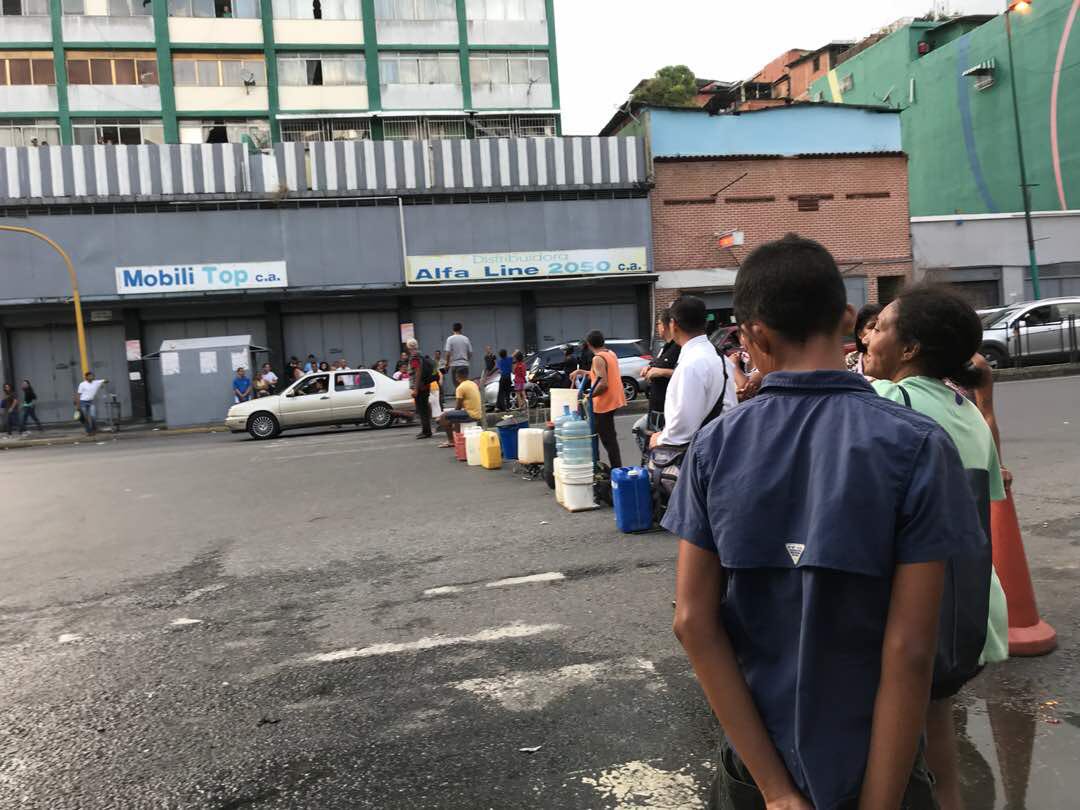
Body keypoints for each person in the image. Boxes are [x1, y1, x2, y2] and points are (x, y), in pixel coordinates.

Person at [663, 234, 985, 810]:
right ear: (844, 320)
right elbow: (912, 647)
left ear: (753, 335)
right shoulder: (917, 446)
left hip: (758, 770)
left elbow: (692, 621)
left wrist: (778, 792)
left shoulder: (713, 448)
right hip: (875, 765)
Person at [864, 284, 1009, 810]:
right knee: (936, 725)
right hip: (970, 609)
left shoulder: (886, 403)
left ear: (909, 350)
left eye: (879, 327)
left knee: (893, 744)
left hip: (910, 609)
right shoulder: (967, 409)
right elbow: (987, 498)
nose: (867, 336)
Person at [650, 296, 737, 451]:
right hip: (722, 444)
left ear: (673, 324)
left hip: (703, 453)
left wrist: (660, 439)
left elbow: (682, 428)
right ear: (705, 323)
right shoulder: (717, 355)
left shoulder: (691, 364)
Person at [584, 330, 625, 470]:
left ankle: (615, 470)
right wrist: (581, 372)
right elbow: (597, 375)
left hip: (604, 404)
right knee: (608, 436)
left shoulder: (598, 358)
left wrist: (589, 396)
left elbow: (603, 384)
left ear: (589, 344)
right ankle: (612, 468)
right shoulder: (610, 354)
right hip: (614, 400)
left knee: (608, 440)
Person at [641, 309, 682, 433]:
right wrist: (649, 368)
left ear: (666, 325)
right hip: (656, 405)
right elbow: (657, 363)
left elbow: (684, 372)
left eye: (658, 323)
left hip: (666, 408)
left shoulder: (679, 347)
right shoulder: (665, 347)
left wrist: (661, 372)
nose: (657, 327)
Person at [437, 367, 484, 448]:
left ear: (458, 376)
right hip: (478, 413)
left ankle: (451, 441)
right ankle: (457, 438)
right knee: (453, 417)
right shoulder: (473, 383)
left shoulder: (460, 387)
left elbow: (458, 407)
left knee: (443, 417)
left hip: (470, 414)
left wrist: (447, 417)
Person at [407, 338, 435, 439]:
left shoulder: (414, 357)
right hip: (425, 386)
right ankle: (426, 430)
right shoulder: (420, 356)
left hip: (420, 387)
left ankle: (426, 431)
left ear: (409, 347)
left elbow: (418, 372)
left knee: (422, 410)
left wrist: (415, 389)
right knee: (424, 409)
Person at [846, 303, 883, 375]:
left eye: (881, 326)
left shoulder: (895, 359)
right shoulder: (849, 361)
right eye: (872, 327)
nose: (877, 330)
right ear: (860, 334)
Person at [76, 371, 107, 435]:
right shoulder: (82, 384)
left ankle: (94, 429)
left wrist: (103, 383)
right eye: (90, 376)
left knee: (93, 416)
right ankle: (88, 431)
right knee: (85, 418)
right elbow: (78, 395)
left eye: (92, 376)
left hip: (91, 402)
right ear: (86, 377)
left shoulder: (96, 382)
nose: (92, 377)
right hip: (83, 402)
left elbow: (105, 380)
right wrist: (78, 405)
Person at [443, 323, 473, 391]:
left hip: (455, 365)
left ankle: (460, 399)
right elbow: (470, 353)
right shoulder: (466, 339)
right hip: (464, 364)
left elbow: (448, 353)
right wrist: (466, 360)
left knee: (457, 386)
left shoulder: (450, 339)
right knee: (465, 384)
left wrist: (447, 365)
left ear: (453, 329)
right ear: (461, 329)